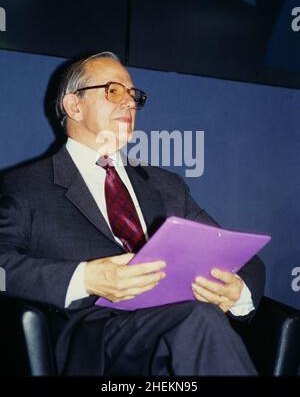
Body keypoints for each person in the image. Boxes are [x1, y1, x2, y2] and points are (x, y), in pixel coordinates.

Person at [0, 52, 265, 376]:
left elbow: (241, 256)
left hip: (177, 334)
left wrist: (237, 290)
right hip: (92, 344)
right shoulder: (24, 186)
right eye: (113, 91)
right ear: (74, 106)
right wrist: (86, 278)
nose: (129, 103)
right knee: (199, 319)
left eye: (133, 95)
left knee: (198, 321)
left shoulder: (166, 186)